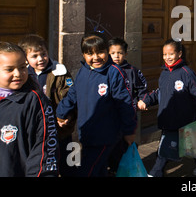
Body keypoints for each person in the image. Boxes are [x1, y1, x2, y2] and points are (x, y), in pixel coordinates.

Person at [56, 32, 137, 177]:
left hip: (105, 135)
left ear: (107, 51)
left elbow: (125, 104)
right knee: (98, 170)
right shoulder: (83, 72)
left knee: (86, 171)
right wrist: (61, 114)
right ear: (83, 55)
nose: (96, 57)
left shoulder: (114, 73)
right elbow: (72, 95)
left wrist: (129, 130)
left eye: (100, 52)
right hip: (87, 132)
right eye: (90, 54)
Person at [140, 39, 196, 177]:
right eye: (165, 54)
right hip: (169, 118)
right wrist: (146, 100)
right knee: (165, 148)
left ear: (179, 54)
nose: (167, 58)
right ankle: (156, 172)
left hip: (185, 118)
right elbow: (160, 92)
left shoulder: (187, 72)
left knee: (191, 145)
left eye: (171, 54)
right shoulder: (164, 73)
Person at [19, 34, 76, 176]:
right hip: (35, 128)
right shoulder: (23, 74)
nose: (40, 59)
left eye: (43, 54)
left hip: (59, 128)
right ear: (26, 58)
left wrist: (64, 116)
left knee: (69, 161)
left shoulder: (60, 71)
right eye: (35, 56)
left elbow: (70, 95)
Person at [0, 42, 59, 177]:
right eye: (10, 69)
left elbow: (44, 149)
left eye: (22, 67)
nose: (18, 74)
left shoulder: (35, 101)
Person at [107, 37, 149, 174]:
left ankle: (123, 168)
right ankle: (113, 167)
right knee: (111, 143)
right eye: (113, 53)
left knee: (126, 142)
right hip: (110, 116)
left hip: (127, 115)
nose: (116, 56)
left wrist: (141, 100)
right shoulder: (105, 70)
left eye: (120, 53)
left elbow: (142, 88)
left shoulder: (132, 71)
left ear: (125, 54)